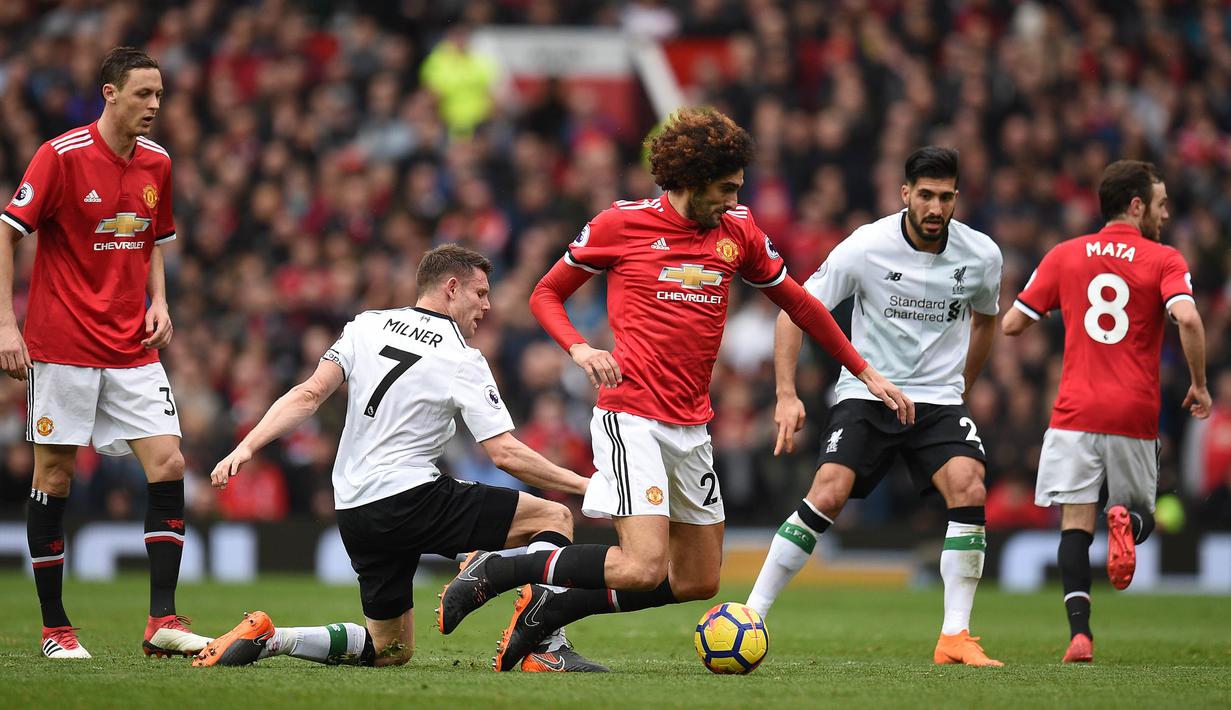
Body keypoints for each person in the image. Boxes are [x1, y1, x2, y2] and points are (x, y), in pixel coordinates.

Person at [436, 107, 912, 671]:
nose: (735, 200)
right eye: (725, 189)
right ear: (689, 178)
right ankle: (496, 569)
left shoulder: (739, 233)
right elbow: (545, 293)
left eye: (739, 189)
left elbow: (803, 304)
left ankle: (545, 612)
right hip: (630, 416)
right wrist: (582, 349)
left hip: (692, 424)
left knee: (697, 579)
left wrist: (866, 371)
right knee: (641, 566)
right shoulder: (620, 224)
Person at [194, 245, 606, 672]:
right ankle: (543, 642)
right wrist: (583, 483)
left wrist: (246, 445)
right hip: (409, 495)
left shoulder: (366, 325)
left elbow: (310, 393)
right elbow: (503, 453)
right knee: (553, 518)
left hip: (354, 507)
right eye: (480, 292)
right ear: (451, 288)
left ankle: (271, 639)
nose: (488, 304)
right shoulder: (461, 356)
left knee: (389, 649)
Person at [742, 146, 1004, 667]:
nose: (935, 207)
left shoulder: (982, 256)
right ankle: (751, 614)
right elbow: (794, 311)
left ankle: (955, 636)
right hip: (868, 390)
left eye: (945, 197)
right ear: (905, 194)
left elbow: (986, 319)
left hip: (937, 401)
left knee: (969, 485)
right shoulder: (866, 247)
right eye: (925, 195)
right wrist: (787, 394)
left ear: (956, 198)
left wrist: (962, 385)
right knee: (829, 492)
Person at [0, 46, 209, 660]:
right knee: (55, 476)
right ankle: (54, 629)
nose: (154, 106)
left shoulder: (158, 163)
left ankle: (161, 620)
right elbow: (8, 233)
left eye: (161, 95)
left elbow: (156, 240)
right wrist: (6, 327)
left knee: (169, 463)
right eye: (143, 94)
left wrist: (161, 301)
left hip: (132, 346)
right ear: (109, 93)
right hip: (61, 345)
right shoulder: (60, 157)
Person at [1002, 160, 1211, 663]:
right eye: (1159, 204)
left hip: (1074, 411)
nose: (1164, 214)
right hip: (1132, 413)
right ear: (1136, 205)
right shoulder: (1163, 259)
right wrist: (1200, 385)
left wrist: (1061, 303)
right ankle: (1127, 524)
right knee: (1144, 513)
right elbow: (1186, 316)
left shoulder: (1065, 255)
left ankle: (1080, 636)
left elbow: (1012, 324)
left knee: (1074, 524)